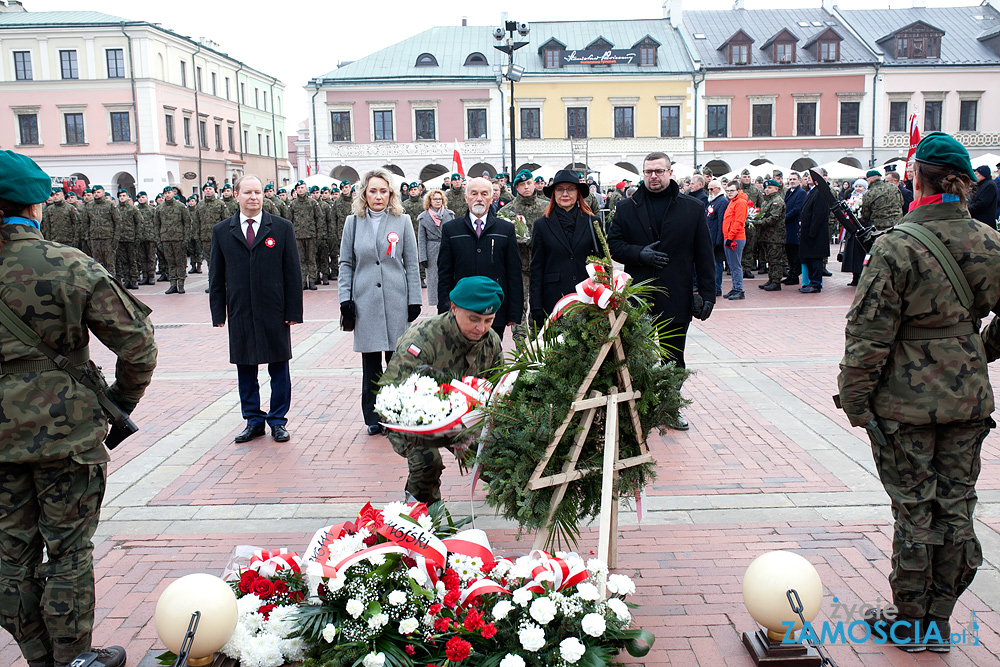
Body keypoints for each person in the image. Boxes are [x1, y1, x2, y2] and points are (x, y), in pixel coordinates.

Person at [838, 133, 1000, 652]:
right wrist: (975, 349)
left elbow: (868, 336)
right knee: (956, 507)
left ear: (916, 176)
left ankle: (911, 622)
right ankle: (941, 618)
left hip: (905, 404)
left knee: (914, 510)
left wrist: (856, 400)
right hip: (968, 399)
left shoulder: (896, 245)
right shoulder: (989, 240)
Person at [0, 150, 157, 667]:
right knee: (67, 554)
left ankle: (38, 657)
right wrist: (119, 403)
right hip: (67, 439)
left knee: (9, 561)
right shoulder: (69, 265)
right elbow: (137, 344)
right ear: (38, 205)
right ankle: (73, 660)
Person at [607, 151, 715, 429]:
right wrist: (639, 254)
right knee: (636, 357)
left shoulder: (691, 208)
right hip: (639, 297)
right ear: (643, 175)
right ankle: (636, 411)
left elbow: (704, 254)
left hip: (676, 295)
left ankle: (670, 408)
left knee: (673, 357)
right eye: (648, 172)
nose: (653, 176)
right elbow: (613, 244)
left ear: (670, 172)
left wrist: (708, 294)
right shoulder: (627, 208)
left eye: (658, 171)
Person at [381, 276, 504, 503]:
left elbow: (497, 389)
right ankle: (421, 515)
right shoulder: (421, 339)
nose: (481, 328)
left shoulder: (491, 342)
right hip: (412, 418)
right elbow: (391, 396)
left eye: (489, 320)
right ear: (454, 308)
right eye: (474, 319)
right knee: (426, 461)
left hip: (463, 418)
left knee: (497, 458)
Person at [210, 174, 303, 444]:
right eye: (248, 192)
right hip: (241, 310)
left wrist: (293, 312)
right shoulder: (222, 231)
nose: (254, 197)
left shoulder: (282, 228)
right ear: (236, 195)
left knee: (279, 367)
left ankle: (277, 421)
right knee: (246, 368)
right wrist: (218, 313)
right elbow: (216, 275)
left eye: (258, 192)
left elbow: (292, 273)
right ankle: (253, 420)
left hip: (274, 310)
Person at [339, 168, 422, 436]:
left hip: (396, 300)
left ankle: (395, 413)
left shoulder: (403, 221)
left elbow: (411, 261)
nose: (378, 196)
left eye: (383, 191)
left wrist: (414, 299)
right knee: (371, 364)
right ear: (364, 193)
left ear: (391, 194)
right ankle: (374, 417)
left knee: (397, 363)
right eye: (373, 190)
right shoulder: (353, 222)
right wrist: (345, 299)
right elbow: (346, 263)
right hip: (365, 302)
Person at [437, 177, 523, 340]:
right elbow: (445, 273)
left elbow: (513, 273)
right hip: (461, 308)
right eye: (474, 193)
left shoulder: (506, 229)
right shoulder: (451, 229)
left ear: (492, 198)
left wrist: (514, 311)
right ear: (466, 197)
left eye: (484, 194)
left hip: (494, 308)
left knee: (491, 360)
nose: (479, 198)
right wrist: (445, 308)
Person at [529, 170, 600, 323]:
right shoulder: (541, 225)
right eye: (560, 189)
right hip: (554, 300)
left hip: (587, 298)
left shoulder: (593, 222)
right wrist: (535, 306)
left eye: (570, 189)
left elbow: (603, 261)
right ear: (554, 193)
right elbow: (536, 268)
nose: (565, 194)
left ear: (578, 193)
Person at [417, 188, 453, 308]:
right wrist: (422, 257)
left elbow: (454, 236)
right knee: (434, 281)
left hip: (447, 249)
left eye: (440, 199)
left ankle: (449, 302)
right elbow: (421, 239)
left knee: (448, 278)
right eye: (435, 199)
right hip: (431, 250)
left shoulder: (449, 214)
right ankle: (438, 304)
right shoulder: (423, 217)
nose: (438, 201)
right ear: (430, 201)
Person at [153, 185, 192, 294]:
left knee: (180, 262)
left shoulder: (181, 207)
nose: (167, 195)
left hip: (178, 239)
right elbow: (156, 225)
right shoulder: (159, 208)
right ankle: (172, 284)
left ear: (173, 194)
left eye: (169, 193)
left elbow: (187, 223)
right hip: (165, 239)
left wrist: (186, 239)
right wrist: (158, 240)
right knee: (170, 262)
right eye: (165, 193)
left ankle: (180, 284)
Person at [798, 171, 830, 293]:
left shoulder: (821, 191)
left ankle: (815, 284)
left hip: (815, 233)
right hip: (808, 231)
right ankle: (811, 282)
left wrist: (812, 232)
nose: (808, 178)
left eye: (811, 176)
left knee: (815, 259)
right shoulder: (813, 191)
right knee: (809, 258)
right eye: (807, 176)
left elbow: (819, 214)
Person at [756, 179, 787, 291]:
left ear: (776, 189)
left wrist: (758, 222)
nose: (767, 190)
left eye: (769, 188)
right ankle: (771, 279)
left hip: (775, 237)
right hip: (766, 236)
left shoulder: (777, 201)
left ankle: (776, 281)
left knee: (775, 260)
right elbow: (762, 215)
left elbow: (773, 219)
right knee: (769, 259)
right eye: (766, 188)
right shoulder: (766, 202)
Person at [83, 185, 120, 275]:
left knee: (110, 263)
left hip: (108, 238)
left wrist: (116, 238)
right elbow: (85, 223)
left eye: (98, 192)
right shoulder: (89, 206)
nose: (96, 194)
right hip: (94, 238)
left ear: (103, 193)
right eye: (94, 192)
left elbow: (118, 222)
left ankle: (112, 284)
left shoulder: (110, 205)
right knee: (96, 264)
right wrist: (87, 237)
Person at [721, 182, 749, 299]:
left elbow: (739, 222)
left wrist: (730, 237)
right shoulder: (733, 202)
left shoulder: (740, 202)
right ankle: (736, 287)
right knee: (732, 265)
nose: (729, 193)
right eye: (727, 191)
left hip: (735, 238)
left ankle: (739, 289)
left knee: (735, 265)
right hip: (730, 237)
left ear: (738, 190)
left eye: (732, 191)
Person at [705, 179, 728, 297]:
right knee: (712, 264)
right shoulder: (713, 201)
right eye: (708, 189)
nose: (709, 191)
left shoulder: (722, 201)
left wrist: (719, 240)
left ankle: (717, 287)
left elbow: (721, 222)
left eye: (711, 189)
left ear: (718, 189)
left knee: (717, 264)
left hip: (716, 239)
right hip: (710, 237)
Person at [782, 172, 806, 286]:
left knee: (795, 252)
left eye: (794, 179)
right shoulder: (789, 192)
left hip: (794, 225)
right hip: (788, 226)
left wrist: (784, 218)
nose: (792, 181)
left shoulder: (801, 193)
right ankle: (791, 273)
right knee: (789, 252)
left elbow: (797, 209)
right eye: (790, 179)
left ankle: (795, 274)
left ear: (799, 181)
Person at [115, 190, 141, 289]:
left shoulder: (133, 209)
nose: (122, 197)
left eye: (123, 196)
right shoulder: (116, 209)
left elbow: (139, 223)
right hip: (120, 239)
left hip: (131, 238)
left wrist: (137, 237)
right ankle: (127, 279)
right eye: (120, 196)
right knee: (123, 261)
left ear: (127, 197)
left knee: (132, 260)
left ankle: (134, 280)